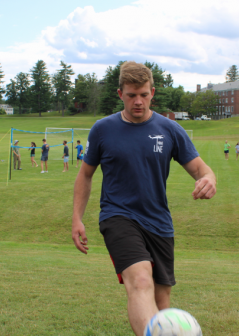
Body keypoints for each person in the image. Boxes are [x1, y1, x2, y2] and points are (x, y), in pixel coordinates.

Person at [71, 61, 217, 336]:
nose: (138, 101)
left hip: (159, 222)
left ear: (153, 92)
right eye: (131, 95)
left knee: (162, 303)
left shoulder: (170, 129)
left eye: (144, 95)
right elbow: (85, 175)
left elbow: (200, 168)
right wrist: (77, 218)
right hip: (118, 216)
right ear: (120, 94)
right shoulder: (103, 129)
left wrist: (209, 179)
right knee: (139, 282)